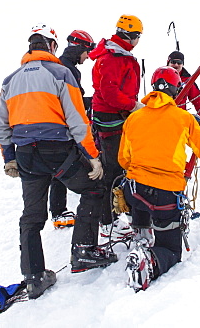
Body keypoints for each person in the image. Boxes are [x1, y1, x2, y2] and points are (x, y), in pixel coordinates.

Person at [0, 24, 117, 300]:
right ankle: (84, 250)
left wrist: (9, 158)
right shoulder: (60, 74)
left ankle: (33, 276)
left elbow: (1, 126)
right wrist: (93, 157)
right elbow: (77, 120)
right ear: (51, 46)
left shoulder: (9, 81)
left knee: (32, 215)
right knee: (93, 189)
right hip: (57, 150)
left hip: (26, 154)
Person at [119, 66, 200, 290]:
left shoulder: (134, 118)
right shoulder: (183, 118)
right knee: (172, 250)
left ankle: (141, 233)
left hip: (135, 191)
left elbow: (123, 160)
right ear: (176, 91)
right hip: (165, 196)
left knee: (141, 197)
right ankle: (149, 262)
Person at [89, 15, 143, 239]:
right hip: (112, 119)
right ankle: (107, 221)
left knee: (116, 167)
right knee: (114, 169)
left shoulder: (115, 54)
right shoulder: (114, 57)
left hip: (112, 116)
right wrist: (132, 106)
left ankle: (111, 216)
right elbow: (110, 91)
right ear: (132, 36)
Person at [48, 29, 97, 230]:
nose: (87, 57)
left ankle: (58, 210)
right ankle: (59, 211)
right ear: (79, 48)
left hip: (54, 125)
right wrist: (95, 102)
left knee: (57, 168)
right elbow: (72, 103)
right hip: (64, 126)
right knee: (63, 166)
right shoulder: (67, 69)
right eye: (87, 52)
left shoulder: (59, 66)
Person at [166, 50, 200, 117]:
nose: (176, 65)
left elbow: (197, 100)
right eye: (173, 62)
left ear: (182, 64)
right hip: (163, 116)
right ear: (168, 63)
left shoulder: (188, 80)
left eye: (179, 62)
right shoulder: (161, 76)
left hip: (180, 118)